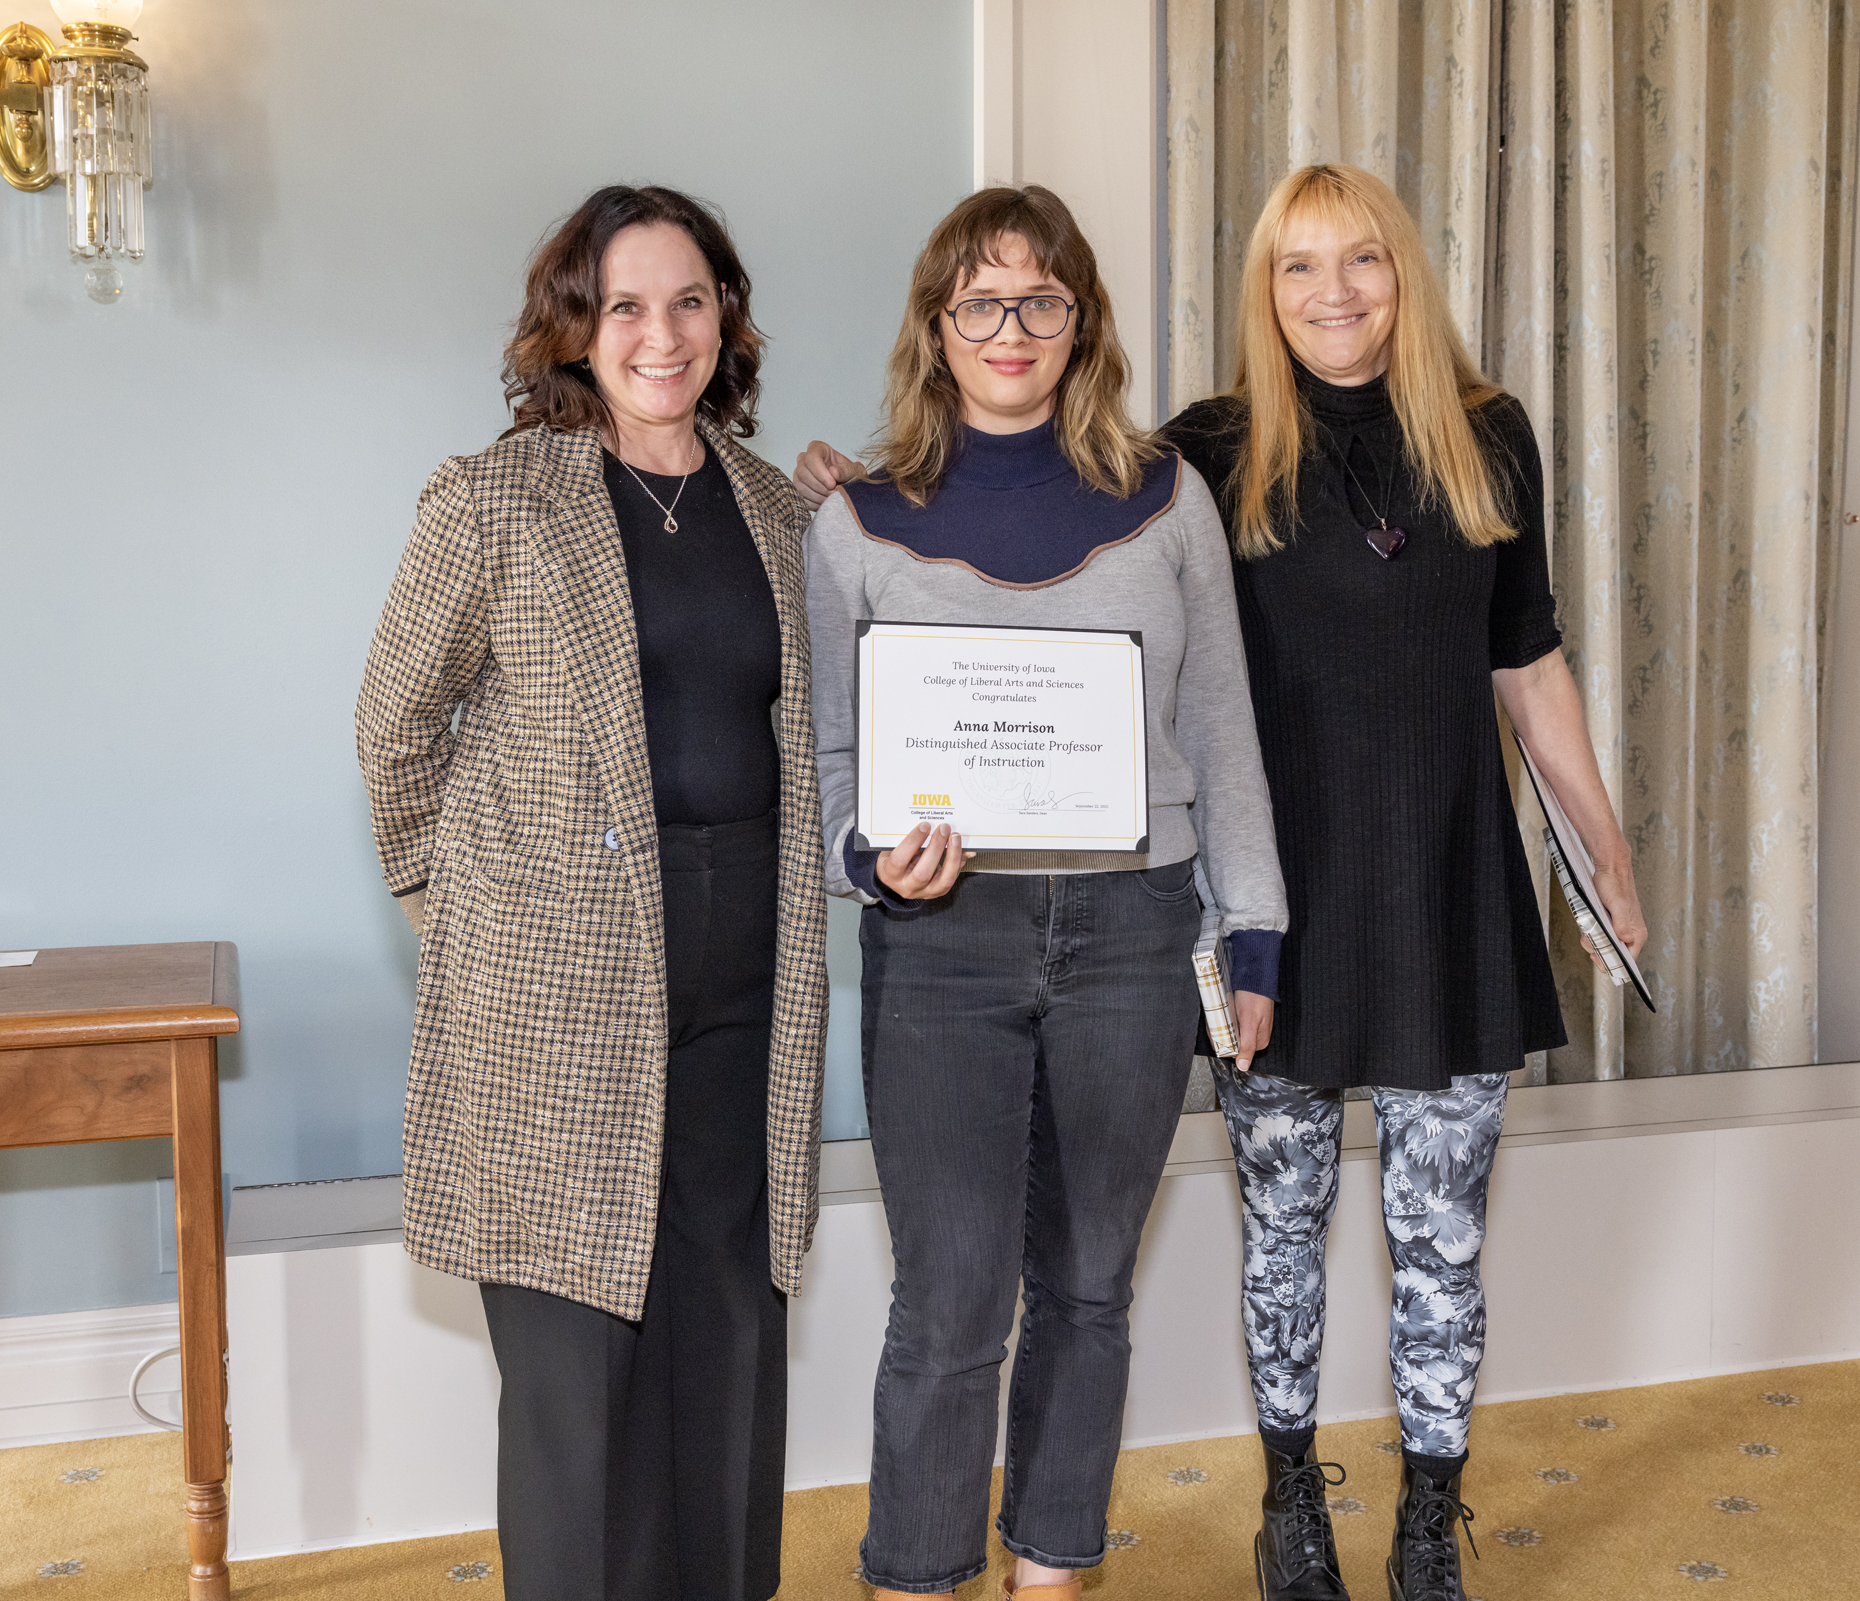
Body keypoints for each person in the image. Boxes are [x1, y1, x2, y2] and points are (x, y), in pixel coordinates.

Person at [796, 162, 1648, 1601]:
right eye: (1299, 266)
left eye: (1362, 259)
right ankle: (1249, 1515)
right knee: (1148, 1261)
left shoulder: (1430, 446)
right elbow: (871, 707)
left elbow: (1495, 656)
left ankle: (1396, 1520)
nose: (1335, 292)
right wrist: (842, 500)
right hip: (1108, 921)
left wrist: (1604, 850)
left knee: (1325, 1258)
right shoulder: (1181, 457)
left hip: (1346, 901)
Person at [802, 185, 1287, 1601]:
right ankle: (915, 1575)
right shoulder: (856, 523)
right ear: (936, 328)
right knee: (948, 1301)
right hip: (943, 944)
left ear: (1082, 323)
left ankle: (1054, 1570)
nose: (1011, 328)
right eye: (980, 303)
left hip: (1138, 937)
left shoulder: (1169, 499)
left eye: (1041, 299)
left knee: (1087, 1289)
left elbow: (1222, 730)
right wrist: (862, 857)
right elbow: (828, 755)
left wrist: (1251, 933)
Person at [355, 184, 829, 1601]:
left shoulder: (778, 511)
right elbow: (393, 729)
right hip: (555, 1010)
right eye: (626, 304)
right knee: (579, 1380)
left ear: (726, 319)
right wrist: (476, 920)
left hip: (745, 987)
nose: (661, 332)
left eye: (690, 300)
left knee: (729, 1342)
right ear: (576, 326)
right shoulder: (496, 499)